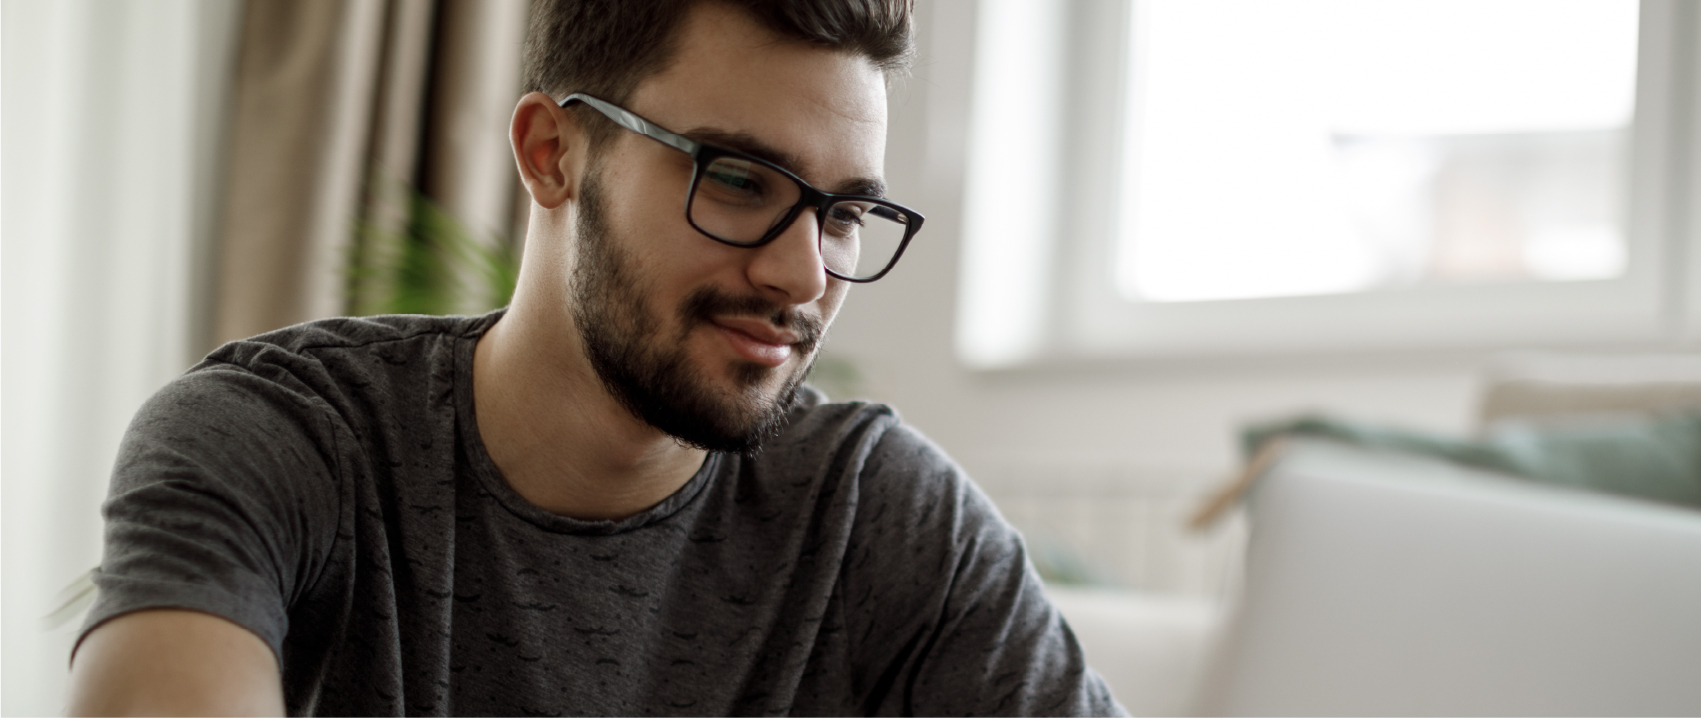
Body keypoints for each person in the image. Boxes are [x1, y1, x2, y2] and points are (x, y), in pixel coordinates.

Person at [67, 0, 1124, 714]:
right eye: (739, 180)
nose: (804, 277)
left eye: (844, 212)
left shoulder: (880, 515)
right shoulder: (279, 440)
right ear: (552, 154)